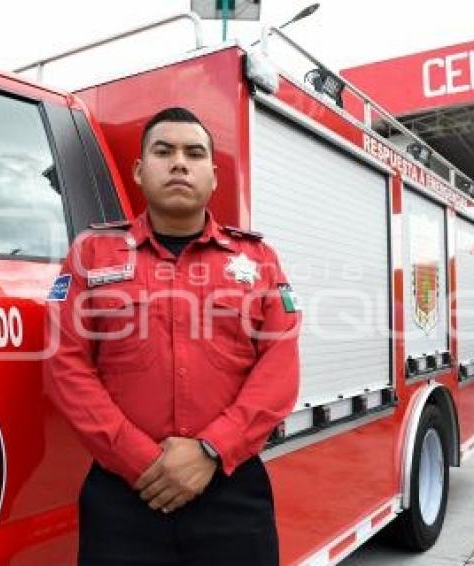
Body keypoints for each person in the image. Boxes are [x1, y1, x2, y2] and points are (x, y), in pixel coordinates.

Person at [47, 107, 301, 565]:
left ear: (214, 175)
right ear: (141, 171)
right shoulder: (91, 254)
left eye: (194, 152)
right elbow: (65, 365)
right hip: (124, 496)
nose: (179, 163)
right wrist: (139, 460)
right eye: (164, 151)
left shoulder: (257, 259)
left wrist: (210, 450)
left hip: (231, 491)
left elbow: (279, 366)